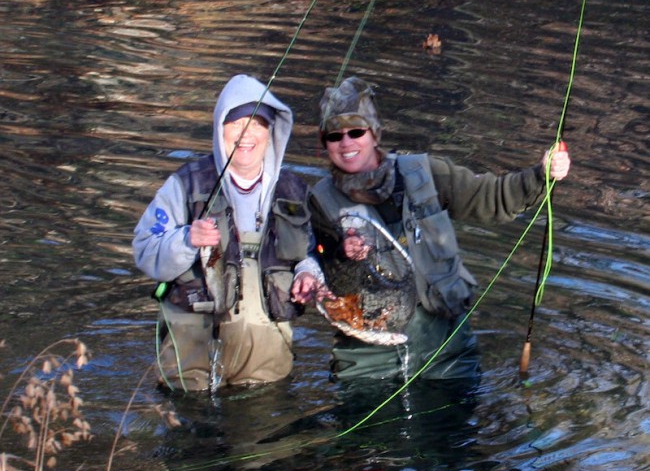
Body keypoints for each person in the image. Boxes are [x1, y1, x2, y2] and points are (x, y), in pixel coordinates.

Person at [293, 76, 571, 384]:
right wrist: (346, 257)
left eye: (356, 131)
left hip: (446, 349)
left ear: (374, 134)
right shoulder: (319, 201)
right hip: (366, 359)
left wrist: (540, 174)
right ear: (324, 144)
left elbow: (491, 198)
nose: (346, 143)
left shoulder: (425, 172)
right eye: (334, 136)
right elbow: (336, 285)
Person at [133, 74, 323, 392]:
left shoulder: (295, 191)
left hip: (266, 363)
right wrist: (185, 240)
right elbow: (144, 250)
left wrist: (308, 273)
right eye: (234, 123)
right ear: (220, 127)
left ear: (271, 131)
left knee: (266, 433)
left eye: (256, 123)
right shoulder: (185, 184)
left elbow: (313, 252)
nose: (245, 135)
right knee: (190, 434)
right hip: (191, 357)